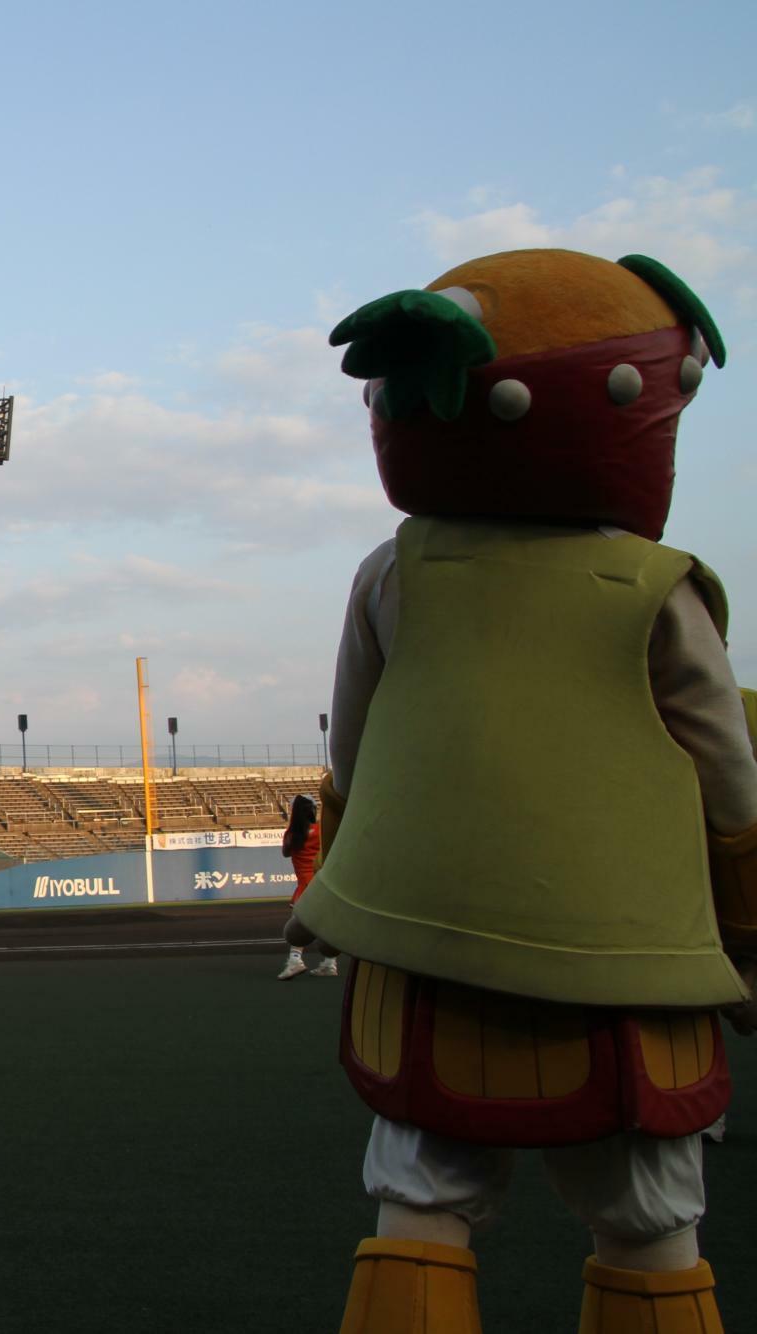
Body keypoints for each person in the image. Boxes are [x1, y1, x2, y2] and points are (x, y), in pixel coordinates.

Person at [291, 248, 757, 1329]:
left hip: (424, 952)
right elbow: (726, 778)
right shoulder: (653, 586)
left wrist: (332, 897)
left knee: (417, 1202)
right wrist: (744, 926)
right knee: (647, 1219)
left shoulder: (394, 572)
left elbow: (353, 759)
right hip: (628, 961)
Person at [276, 795, 334, 980]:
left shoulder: (292, 834)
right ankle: (329, 963)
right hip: (323, 884)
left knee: (298, 927)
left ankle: (295, 961)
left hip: (305, 886)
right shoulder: (321, 831)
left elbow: (285, 853)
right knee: (327, 925)